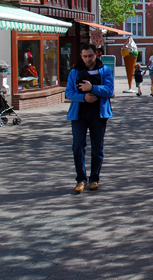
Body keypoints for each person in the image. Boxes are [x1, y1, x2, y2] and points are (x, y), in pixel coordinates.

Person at [65, 43, 114, 193]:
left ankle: (94, 178)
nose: (88, 59)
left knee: (97, 148)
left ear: (96, 55)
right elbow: (69, 93)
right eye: (85, 56)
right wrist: (83, 97)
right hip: (79, 115)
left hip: (98, 115)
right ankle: (81, 179)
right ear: (81, 56)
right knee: (78, 146)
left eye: (90, 56)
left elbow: (109, 90)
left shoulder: (104, 70)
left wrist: (92, 88)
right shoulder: (75, 71)